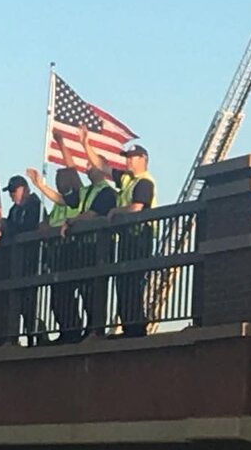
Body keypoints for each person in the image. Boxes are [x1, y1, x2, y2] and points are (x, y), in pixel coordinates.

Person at [80, 125, 156, 337]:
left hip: (140, 237)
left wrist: (116, 211)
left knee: (133, 283)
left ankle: (136, 329)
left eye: (132, 157)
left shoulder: (145, 182)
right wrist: (86, 144)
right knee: (123, 282)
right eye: (127, 157)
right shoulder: (127, 180)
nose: (127, 161)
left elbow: (137, 207)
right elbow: (103, 167)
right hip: (126, 238)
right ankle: (128, 326)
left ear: (143, 159)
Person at [26, 165, 83, 343]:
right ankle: (65, 331)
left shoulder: (76, 197)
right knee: (57, 297)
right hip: (57, 252)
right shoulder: (60, 205)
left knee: (67, 295)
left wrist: (39, 185)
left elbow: (63, 201)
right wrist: (46, 225)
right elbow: (52, 216)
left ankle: (73, 331)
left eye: (60, 180)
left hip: (72, 250)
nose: (58, 183)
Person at [0, 175, 43, 345]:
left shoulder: (36, 206)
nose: (12, 195)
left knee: (28, 302)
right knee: (16, 303)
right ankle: (14, 339)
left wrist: (5, 228)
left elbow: (27, 227)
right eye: (10, 191)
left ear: (24, 190)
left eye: (14, 191)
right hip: (15, 262)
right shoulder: (14, 210)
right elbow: (10, 227)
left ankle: (33, 338)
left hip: (30, 260)